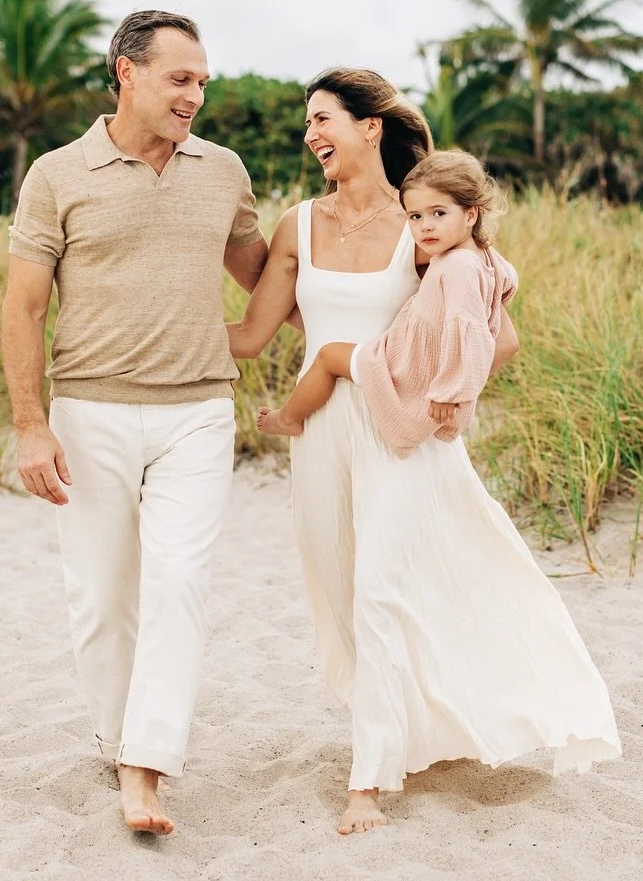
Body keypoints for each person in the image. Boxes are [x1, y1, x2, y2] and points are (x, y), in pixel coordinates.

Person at [227, 69, 622, 835]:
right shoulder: (294, 226)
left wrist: (435, 386)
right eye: (306, 124)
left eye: (322, 119)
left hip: (398, 436)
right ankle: (414, 731)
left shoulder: (423, 228)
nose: (310, 135)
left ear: (369, 127)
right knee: (345, 596)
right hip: (318, 439)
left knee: (379, 592)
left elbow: (497, 339)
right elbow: (248, 338)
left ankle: (366, 785)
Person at [0, 10, 269, 836]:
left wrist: (399, 258)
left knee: (179, 585)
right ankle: (119, 740)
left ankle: (146, 768)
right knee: (101, 599)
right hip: (90, 413)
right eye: (180, 79)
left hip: (199, 413)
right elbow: (24, 304)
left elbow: (268, 276)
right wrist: (30, 423)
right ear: (126, 71)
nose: (196, 95)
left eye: (202, 82)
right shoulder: (56, 173)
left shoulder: (223, 170)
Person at [247, 151, 517, 451]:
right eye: (415, 216)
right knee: (332, 356)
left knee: (328, 356)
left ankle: (287, 418)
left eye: (438, 213)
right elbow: (502, 285)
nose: (425, 226)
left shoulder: (459, 266)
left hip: (398, 362)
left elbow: (468, 330)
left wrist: (449, 390)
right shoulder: (478, 257)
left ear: (471, 214)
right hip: (408, 355)